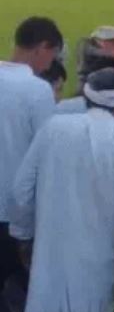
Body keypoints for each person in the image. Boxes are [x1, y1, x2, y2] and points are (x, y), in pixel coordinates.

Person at [10, 69, 114, 312]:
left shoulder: (53, 129)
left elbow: (21, 192)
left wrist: (23, 237)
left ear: (86, 97)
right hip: (102, 268)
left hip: (52, 264)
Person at [0, 17, 61, 289]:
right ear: (42, 48)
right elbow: (47, 152)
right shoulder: (37, 90)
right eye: (52, 56)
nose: (49, 65)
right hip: (13, 210)